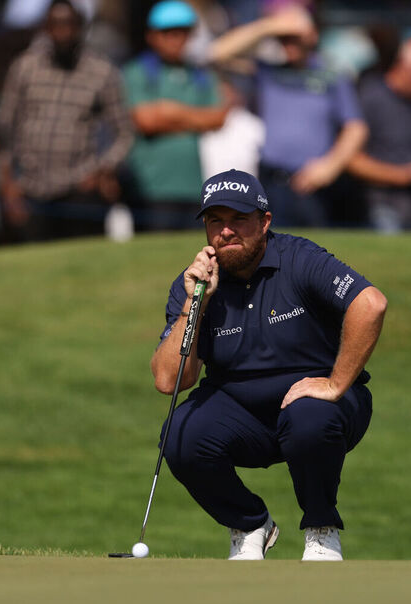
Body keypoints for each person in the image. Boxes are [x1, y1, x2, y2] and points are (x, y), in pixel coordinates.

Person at [153, 169, 387, 561]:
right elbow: (169, 380)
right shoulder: (194, 283)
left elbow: (371, 304)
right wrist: (195, 304)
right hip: (239, 411)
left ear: (265, 222)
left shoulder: (300, 258)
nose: (226, 231)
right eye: (215, 221)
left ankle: (321, 528)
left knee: (309, 416)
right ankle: (250, 524)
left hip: (319, 406)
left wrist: (334, 384)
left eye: (239, 219)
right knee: (180, 433)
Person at [208, 7, 368, 230]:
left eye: (295, 38)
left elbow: (356, 127)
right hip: (271, 181)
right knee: (269, 246)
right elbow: (216, 54)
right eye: (284, 38)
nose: (289, 44)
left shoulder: (331, 74)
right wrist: (269, 26)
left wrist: (330, 166)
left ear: (313, 36)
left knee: (313, 248)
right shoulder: (267, 72)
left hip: (312, 184)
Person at [0, 0, 133, 241]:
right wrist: (7, 184)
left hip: (79, 187)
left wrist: (104, 168)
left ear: (81, 27)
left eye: (70, 24)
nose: (63, 31)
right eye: (56, 24)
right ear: (46, 28)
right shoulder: (25, 67)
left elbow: (124, 132)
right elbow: (5, 128)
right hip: (31, 187)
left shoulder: (101, 72)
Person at [122, 0, 228, 232]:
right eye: (168, 33)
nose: (176, 39)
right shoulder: (137, 72)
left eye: (183, 33)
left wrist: (170, 111)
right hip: (150, 185)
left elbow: (218, 118)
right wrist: (194, 119)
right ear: (152, 36)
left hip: (193, 184)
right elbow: (145, 120)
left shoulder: (200, 74)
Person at [347, 34, 411, 233]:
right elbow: (352, 161)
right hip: (376, 204)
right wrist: (407, 175)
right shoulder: (370, 97)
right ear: (403, 67)